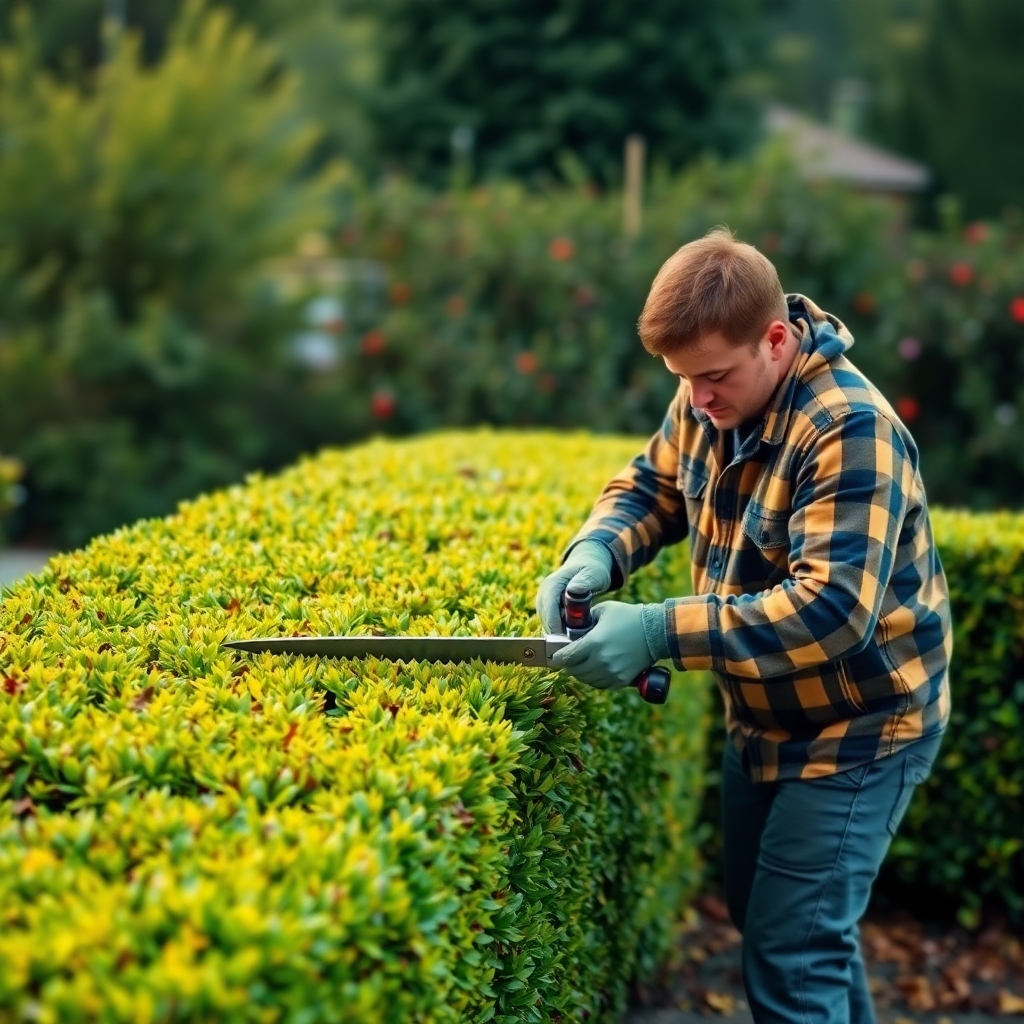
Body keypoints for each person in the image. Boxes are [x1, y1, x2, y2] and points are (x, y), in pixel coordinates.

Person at [535, 228, 951, 1024]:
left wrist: (659, 631)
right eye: (683, 380)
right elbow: (651, 486)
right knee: (779, 923)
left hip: (862, 726)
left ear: (776, 338)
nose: (697, 399)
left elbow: (834, 614)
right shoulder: (710, 394)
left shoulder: (850, 429)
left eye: (713, 377)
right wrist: (595, 551)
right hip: (762, 716)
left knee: (793, 952)